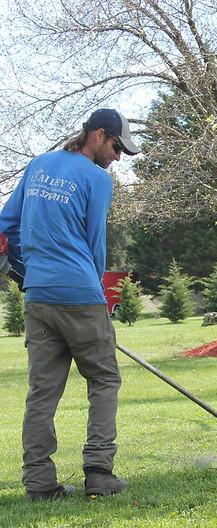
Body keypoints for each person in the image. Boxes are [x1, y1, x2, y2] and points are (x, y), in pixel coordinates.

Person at [0, 109, 140, 501]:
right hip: (80, 294)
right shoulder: (96, 178)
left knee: (42, 392)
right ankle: (99, 472)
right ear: (98, 135)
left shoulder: (39, 164)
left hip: (40, 296)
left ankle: (40, 485)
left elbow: (5, 226)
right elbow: (95, 243)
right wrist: (98, 295)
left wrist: (27, 268)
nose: (117, 158)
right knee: (104, 379)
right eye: (116, 148)